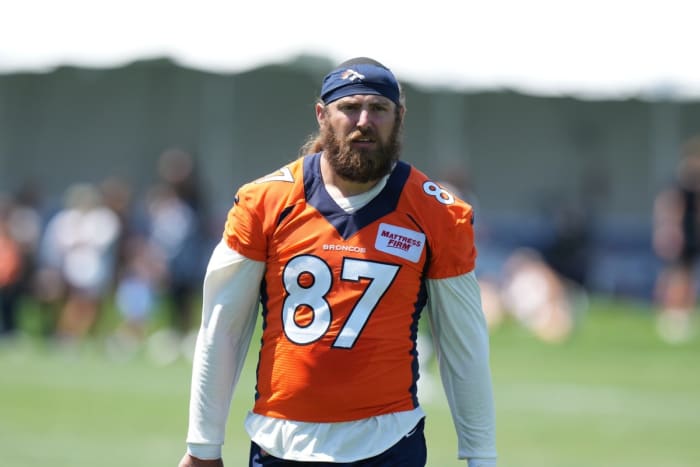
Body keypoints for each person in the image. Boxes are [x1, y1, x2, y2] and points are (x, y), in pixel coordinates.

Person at [178, 57, 497, 467]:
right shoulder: (265, 202)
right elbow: (222, 326)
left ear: (399, 117)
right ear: (322, 114)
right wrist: (203, 446)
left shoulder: (439, 214)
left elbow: (464, 345)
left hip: (389, 441)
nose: (364, 120)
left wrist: (481, 456)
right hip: (281, 440)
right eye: (350, 107)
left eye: (379, 109)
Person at [652, 135, 700, 343]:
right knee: (675, 275)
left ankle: (683, 314)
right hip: (680, 234)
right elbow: (668, 206)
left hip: (693, 233)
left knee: (687, 275)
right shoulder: (680, 183)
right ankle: (669, 313)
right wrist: (667, 230)